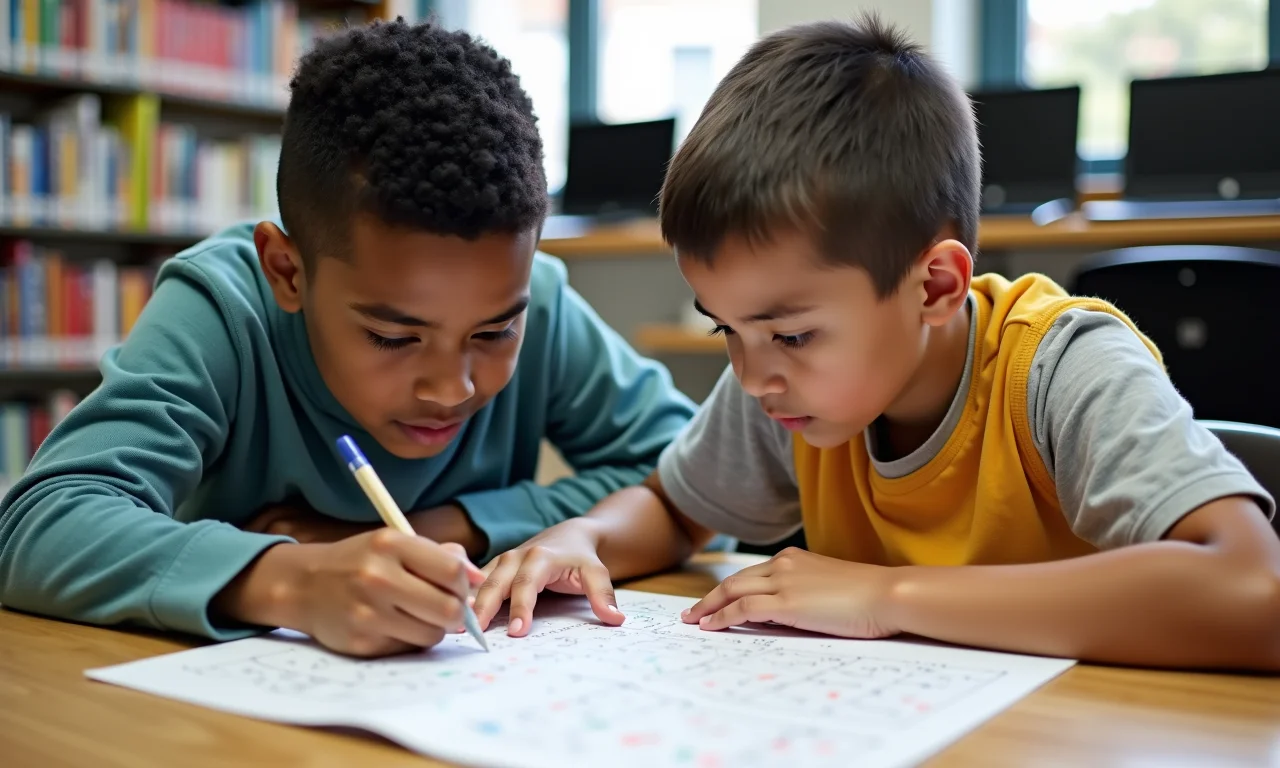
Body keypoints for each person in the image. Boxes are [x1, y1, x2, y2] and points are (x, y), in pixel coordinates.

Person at [471, 16, 1280, 671]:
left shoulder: (1062, 368)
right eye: (728, 329)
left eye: (790, 332)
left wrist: (886, 598)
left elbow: (1253, 588)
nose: (752, 376)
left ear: (934, 286)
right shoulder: (790, 391)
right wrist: (578, 539)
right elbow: (673, 510)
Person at [0, 19, 695, 659]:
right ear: (287, 271)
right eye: (393, 336)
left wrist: (449, 527)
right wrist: (289, 580)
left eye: (494, 331)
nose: (452, 388)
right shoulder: (224, 309)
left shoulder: (536, 298)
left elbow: (694, 480)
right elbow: (38, 525)